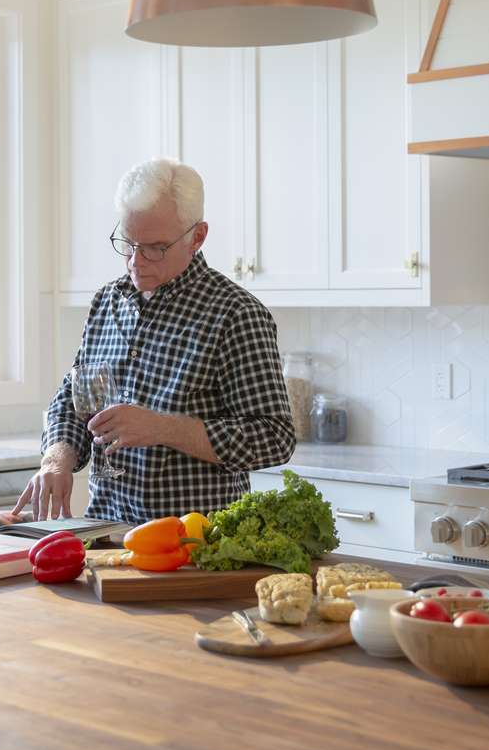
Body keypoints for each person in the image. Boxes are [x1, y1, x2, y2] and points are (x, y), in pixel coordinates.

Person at [15, 158, 295, 525]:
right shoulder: (106, 302)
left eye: (155, 248)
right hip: (106, 534)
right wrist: (57, 461)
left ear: (198, 236)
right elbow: (73, 402)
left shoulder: (235, 314)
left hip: (196, 550)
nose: (136, 261)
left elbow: (275, 437)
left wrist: (162, 428)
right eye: (127, 243)